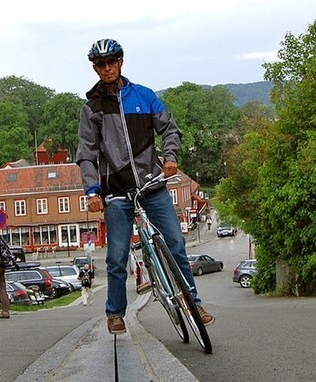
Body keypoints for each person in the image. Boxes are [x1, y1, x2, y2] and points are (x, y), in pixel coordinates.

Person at [76, 38, 215, 335]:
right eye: (101, 64)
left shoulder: (145, 96)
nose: (107, 68)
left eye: (112, 61)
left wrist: (171, 157)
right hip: (116, 193)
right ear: (95, 68)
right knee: (116, 257)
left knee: (177, 244)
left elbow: (169, 128)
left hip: (152, 184)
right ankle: (115, 313)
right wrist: (92, 191)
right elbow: (86, 154)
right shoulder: (92, 110)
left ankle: (194, 302)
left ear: (121, 62)